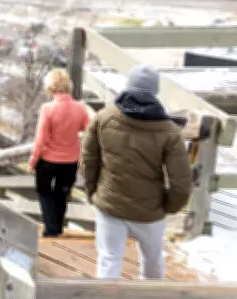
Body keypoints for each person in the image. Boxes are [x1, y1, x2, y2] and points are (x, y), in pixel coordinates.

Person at [82, 64, 191, 280]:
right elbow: (181, 183)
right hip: (149, 211)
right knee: (152, 262)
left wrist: (93, 193)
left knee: (109, 260)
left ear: (127, 86)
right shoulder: (170, 132)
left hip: (109, 205)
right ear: (155, 91)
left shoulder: (103, 118)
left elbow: (88, 161)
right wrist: (168, 207)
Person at [28, 69, 90, 237]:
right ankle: (57, 227)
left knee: (44, 192)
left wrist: (33, 160)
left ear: (50, 87)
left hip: (48, 160)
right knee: (62, 194)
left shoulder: (48, 108)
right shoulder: (81, 108)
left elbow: (40, 138)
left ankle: (51, 229)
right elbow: (89, 130)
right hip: (70, 161)